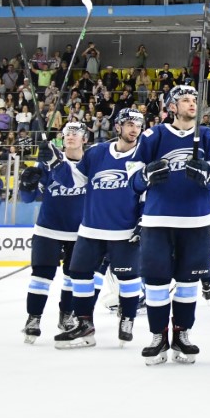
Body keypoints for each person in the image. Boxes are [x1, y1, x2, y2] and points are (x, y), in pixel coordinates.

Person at [130, 84, 210, 365]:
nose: (192, 104)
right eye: (185, 100)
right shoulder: (153, 135)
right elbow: (133, 178)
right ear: (171, 107)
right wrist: (146, 175)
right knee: (157, 281)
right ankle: (158, 336)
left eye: (194, 99)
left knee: (188, 281)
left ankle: (182, 334)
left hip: (196, 221)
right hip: (157, 220)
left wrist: (208, 175)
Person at [50, 110, 145, 349]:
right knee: (79, 275)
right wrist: (55, 163)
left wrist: (143, 222)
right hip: (90, 230)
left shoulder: (143, 156)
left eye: (138, 125)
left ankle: (127, 318)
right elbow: (73, 181)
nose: (134, 129)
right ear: (117, 127)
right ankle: (84, 324)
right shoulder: (96, 153)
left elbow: (147, 192)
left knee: (128, 278)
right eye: (129, 124)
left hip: (124, 232)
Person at [17, 122, 88, 343]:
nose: (71, 135)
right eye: (67, 131)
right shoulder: (46, 161)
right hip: (48, 229)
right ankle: (33, 318)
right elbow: (27, 199)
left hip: (79, 233)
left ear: (85, 139)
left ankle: (66, 315)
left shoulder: (92, 163)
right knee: (40, 277)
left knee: (71, 278)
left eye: (76, 132)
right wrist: (26, 184)